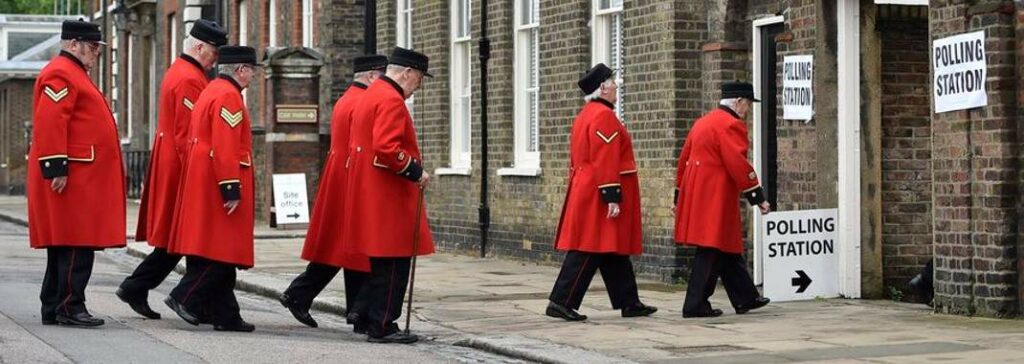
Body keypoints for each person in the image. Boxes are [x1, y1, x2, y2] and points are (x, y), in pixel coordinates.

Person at [117, 19, 227, 320]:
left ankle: (138, 288)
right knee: (187, 234)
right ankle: (187, 299)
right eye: (214, 51)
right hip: (180, 166)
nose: (216, 58)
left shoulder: (184, 72)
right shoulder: (190, 79)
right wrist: (197, 173)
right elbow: (186, 132)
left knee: (176, 238)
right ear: (200, 47)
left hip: (172, 162)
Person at [280, 55, 388, 332]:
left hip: (340, 175)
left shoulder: (346, 99)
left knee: (343, 249)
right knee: (358, 248)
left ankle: (303, 296)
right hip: (352, 178)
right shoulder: (363, 102)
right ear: (372, 76)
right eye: (382, 76)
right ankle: (356, 311)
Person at [28, 20, 125, 327]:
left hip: (81, 174)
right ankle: (70, 305)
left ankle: (53, 305)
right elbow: (51, 120)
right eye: (92, 46)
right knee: (75, 242)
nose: (97, 52)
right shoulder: (61, 72)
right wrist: (56, 166)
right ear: (73, 44)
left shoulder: (74, 72)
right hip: (74, 174)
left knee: (65, 242)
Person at [545, 63, 657, 322]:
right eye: (613, 83)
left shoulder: (587, 114)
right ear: (603, 88)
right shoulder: (604, 116)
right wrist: (611, 196)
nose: (617, 86)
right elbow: (605, 157)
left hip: (588, 187)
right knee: (589, 247)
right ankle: (561, 301)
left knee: (610, 246)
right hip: (598, 190)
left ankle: (629, 302)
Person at [163, 46, 259, 332]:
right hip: (219, 179)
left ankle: (226, 314)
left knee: (215, 247)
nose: (253, 75)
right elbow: (226, 145)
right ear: (241, 69)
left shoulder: (212, 89)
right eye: (252, 70)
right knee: (222, 249)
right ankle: (184, 296)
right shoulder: (229, 96)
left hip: (204, 177)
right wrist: (230, 187)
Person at [343, 47, 435, 344]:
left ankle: (365, 313)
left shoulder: (373, 93)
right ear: (407, 73)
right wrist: (415, 171)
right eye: (419, 78)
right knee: (394, 263)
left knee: (381, 262)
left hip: (372, 189)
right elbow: (387, 147)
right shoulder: (392, 100)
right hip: (388, 193)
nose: (418, 86)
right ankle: (382, 324)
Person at [674, 81, 772, 318]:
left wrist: (678, 195)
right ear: (738, 102)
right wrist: (757, 195)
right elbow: (737, 162)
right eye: (747, 104)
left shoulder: (702, 122)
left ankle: (745, 297)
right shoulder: (731, 124)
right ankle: (695, 304)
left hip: (696, 190)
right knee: (711, 246)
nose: (748, 110)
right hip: (715, 194)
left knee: (725, 243)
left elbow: (683, 158)